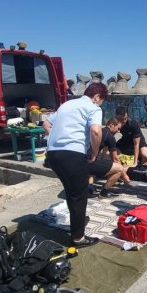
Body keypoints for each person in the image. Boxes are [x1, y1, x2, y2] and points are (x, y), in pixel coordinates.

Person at [43, 82, 109, 248]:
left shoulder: (67, 104)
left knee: (72, 191)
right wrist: (94, 153)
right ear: (97, 97)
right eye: (101, 101)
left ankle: (77, 222)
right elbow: (96, 131)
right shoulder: (93, 108)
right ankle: (78, 238)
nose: (100, 104)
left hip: (53, 154)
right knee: (80, 195)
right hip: (73, 154)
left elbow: (46, 124)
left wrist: (58, 138)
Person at [88, 117, 126, 197]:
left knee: (96, 160)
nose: (119, 131)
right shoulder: (110, 137)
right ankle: (104, 192)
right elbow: (115, 159)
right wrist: (124, 175)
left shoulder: (100, 131)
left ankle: (89, 186)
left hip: (80, 161)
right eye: (118, 128)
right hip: (88, 164)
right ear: (112, 125)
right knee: (119, 169)